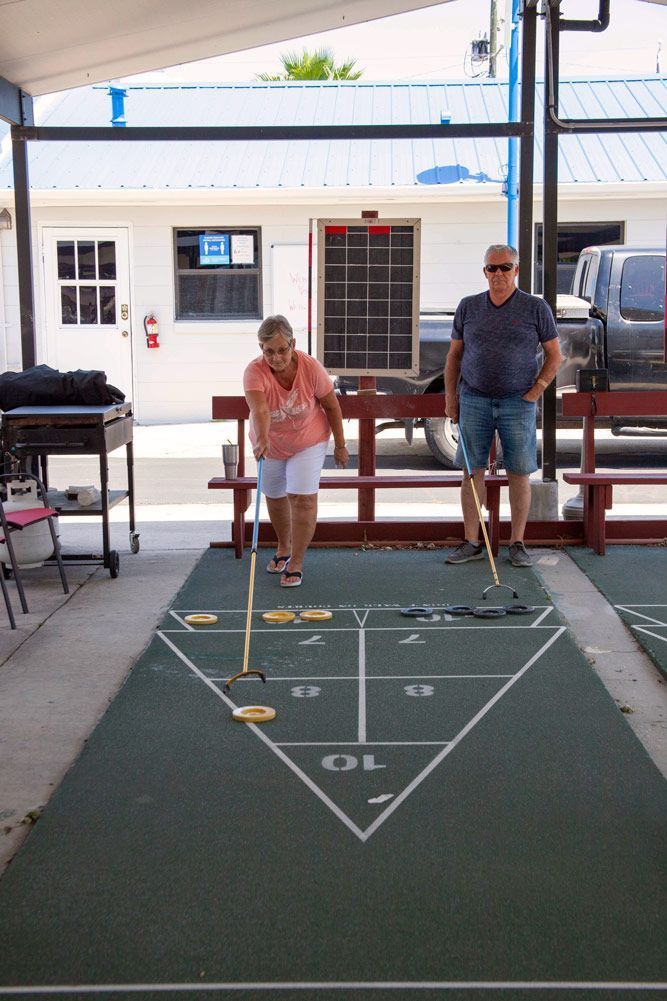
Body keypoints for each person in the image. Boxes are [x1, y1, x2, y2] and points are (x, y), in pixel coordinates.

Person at [444, 244, 563, 568]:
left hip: (517, 402)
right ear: (484, 272)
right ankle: (472, 541)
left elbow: (555, 355)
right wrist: (451, 399)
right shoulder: (468, 307)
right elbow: (454, 356)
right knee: (471, 472)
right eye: (492, 268)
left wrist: (536, 390)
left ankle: (518, 543)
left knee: (519, 473)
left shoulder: (534, 308)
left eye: (505, 267)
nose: (498, 274)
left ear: (517, 270)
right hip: (474, 400)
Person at [243, 314, 349, 588]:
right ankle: (283, 547)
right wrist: (263, 438)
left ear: (293, 343)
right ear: (261, 349)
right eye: (269, 352)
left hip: (308, 440)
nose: (276, 357)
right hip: (271, 443)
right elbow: (260, 409)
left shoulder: (311, 368)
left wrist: (340, 444)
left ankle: (297, 563)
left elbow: (332, 406)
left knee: (302, 499)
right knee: (276, 496)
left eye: (282, 350)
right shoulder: (254, 372)